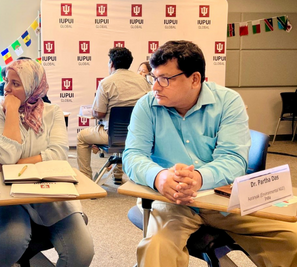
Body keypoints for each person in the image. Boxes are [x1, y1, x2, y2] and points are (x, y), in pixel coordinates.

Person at [123, 40, 297, 267]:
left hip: (221, 199)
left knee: (291, 240)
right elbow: (133, 155)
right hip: (170, 200)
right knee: (157, 248)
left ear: (195, 79)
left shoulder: (228, 102)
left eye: (165, 79)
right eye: (153, 78)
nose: (155, 87)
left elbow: (234, 160)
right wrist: (159, 177)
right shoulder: (146, 106)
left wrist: (198, 178)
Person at [0, 58, 94, 267]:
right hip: (4, 192)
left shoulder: (53, 113)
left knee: (82, 251)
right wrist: (13, 112)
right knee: (12, 238)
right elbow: (6, 154)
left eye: (16, 84)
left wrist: (11, 165)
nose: (7, 89)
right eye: (7, 81)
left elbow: (59, 154)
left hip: (48, 191)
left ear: (34, 86)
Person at [76, 47, 150, 182]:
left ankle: (86, 180)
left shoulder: (106, 83)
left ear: (112, 63)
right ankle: (117, 174)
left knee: (82, 137)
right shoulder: (143, 81)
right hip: (137, 135)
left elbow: (99, 113)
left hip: (111, 135)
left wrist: (94, 112)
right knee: (121, 129)